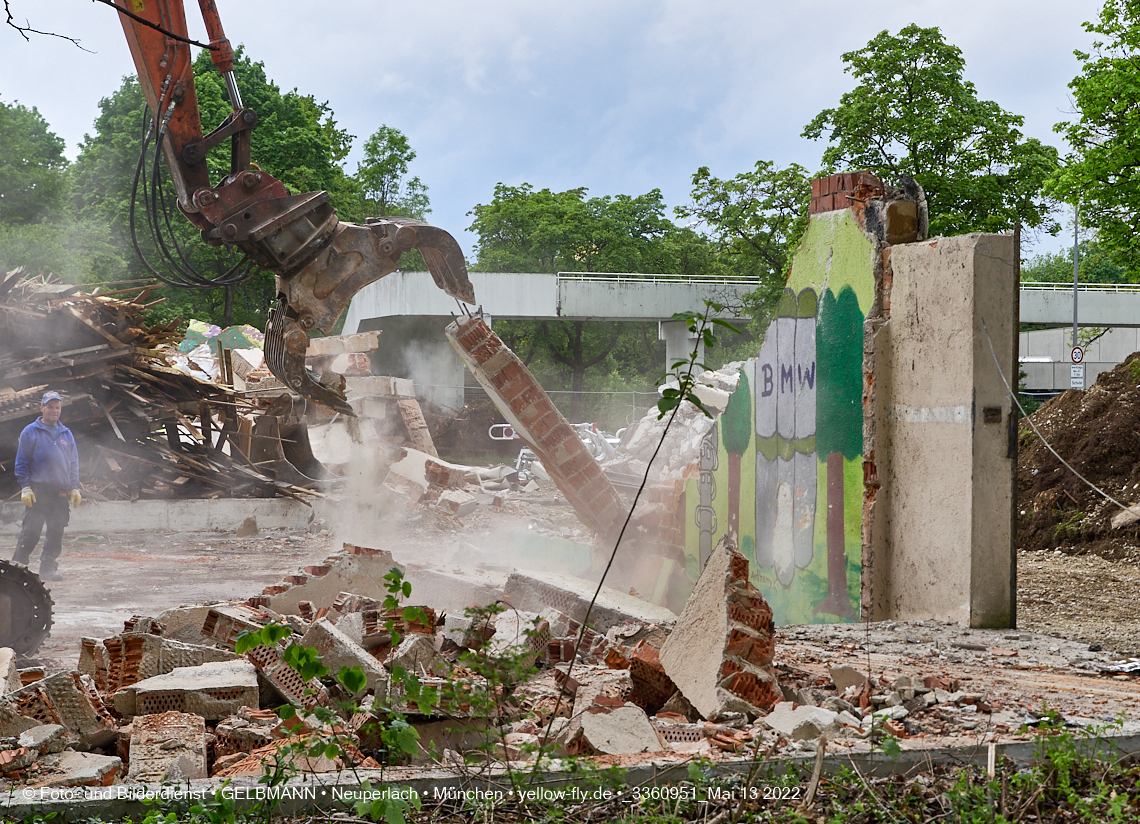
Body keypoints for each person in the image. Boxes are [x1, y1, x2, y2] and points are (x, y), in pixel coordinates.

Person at [13, 391, 81, 581]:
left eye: (57, 407)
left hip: (60, 493)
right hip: (38, 492)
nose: (54, 410)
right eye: (50, 406)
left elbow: (73, 463)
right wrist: (25, 487)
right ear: (42, 408)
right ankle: (17, 570)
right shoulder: (30, 431)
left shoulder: (66, 433)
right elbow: (22, 462)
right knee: (30, 532)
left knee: (56, 532)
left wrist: (74, 487)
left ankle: (48, 569)